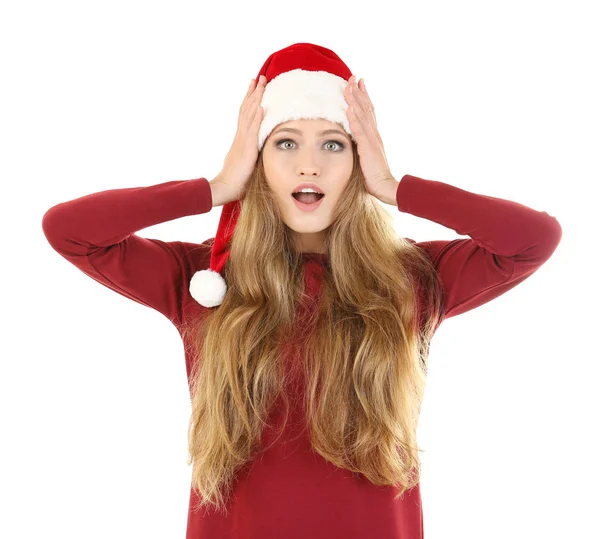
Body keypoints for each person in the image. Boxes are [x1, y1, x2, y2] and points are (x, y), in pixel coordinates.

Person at [41, 42, 562, 539]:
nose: (308, 164)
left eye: (333, 144)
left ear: (359, 160)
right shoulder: (205, 281)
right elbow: (69, 229)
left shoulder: (412, 277)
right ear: (257, 158)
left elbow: (533, 240)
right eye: (285, 141)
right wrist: (217, 187)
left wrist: (397, 188)